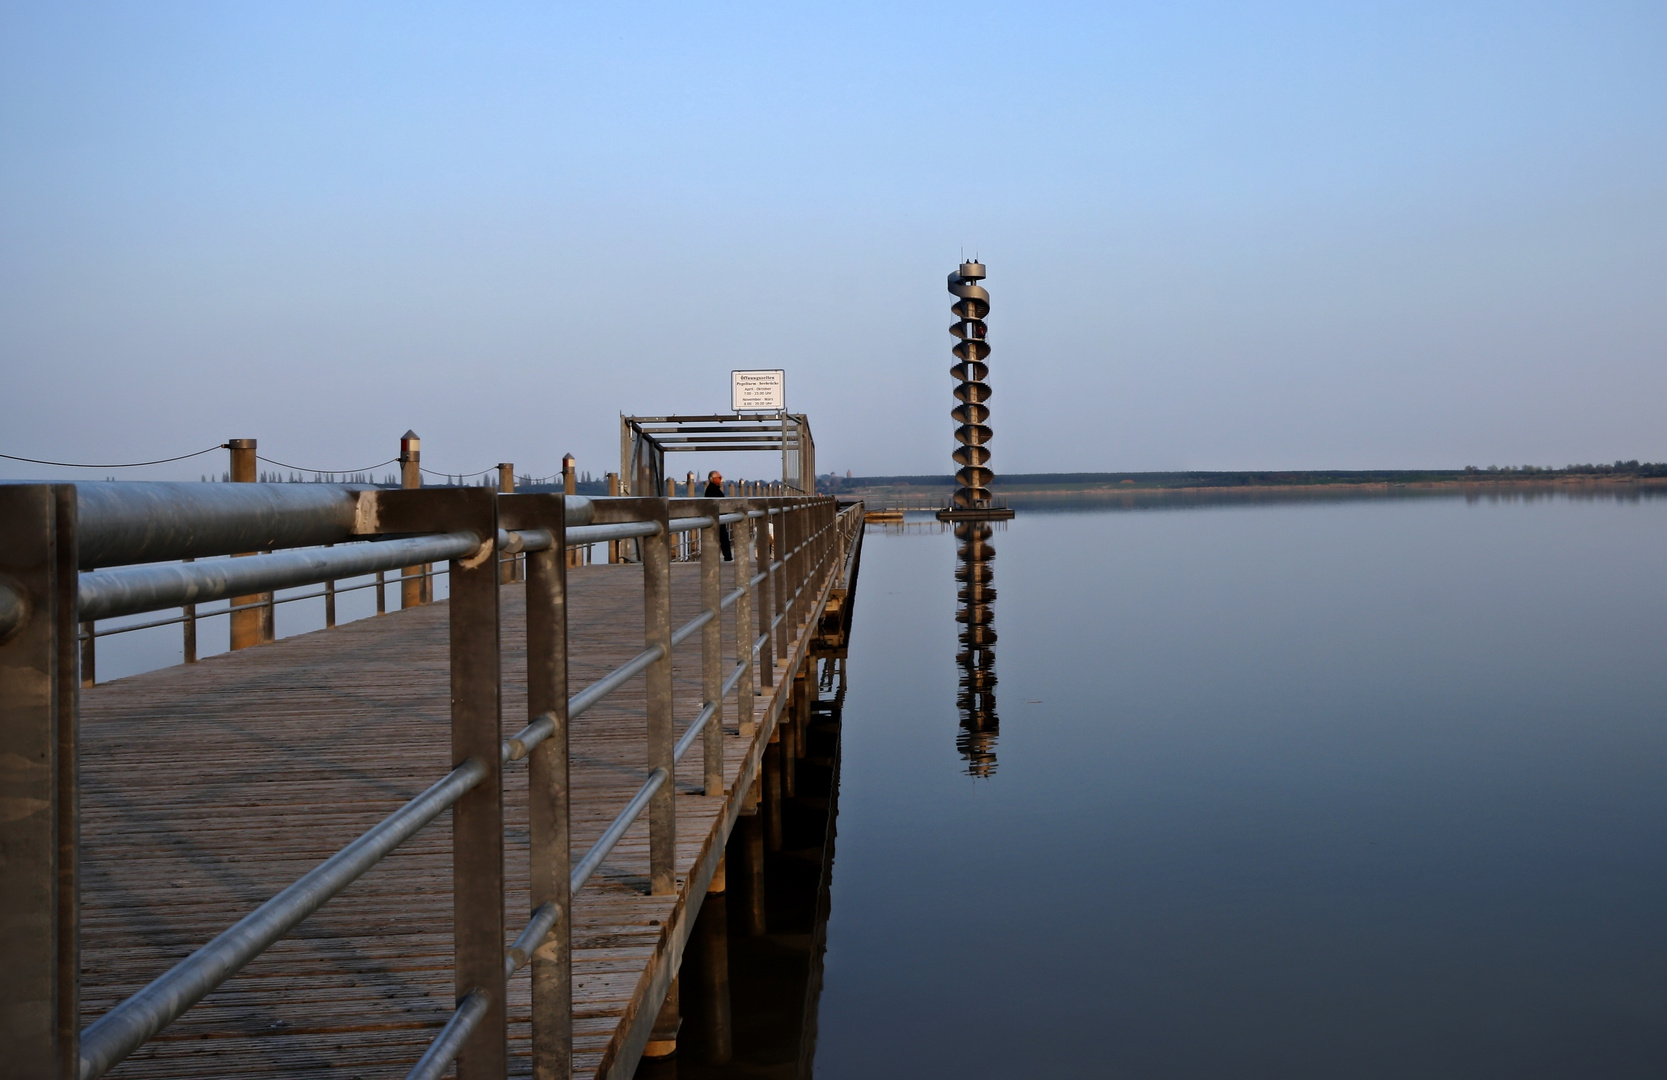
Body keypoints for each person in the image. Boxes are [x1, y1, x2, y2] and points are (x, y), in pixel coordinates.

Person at [703, 470, 732, 560]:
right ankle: (727, 557)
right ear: (712, 479)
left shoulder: (714, 488)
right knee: (723, 538)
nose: (721, 479)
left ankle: (727, 556)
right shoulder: (712, 490)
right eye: (719, 478)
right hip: (717, 517)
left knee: (722, 538)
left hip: (719, 517)